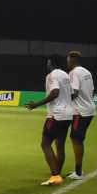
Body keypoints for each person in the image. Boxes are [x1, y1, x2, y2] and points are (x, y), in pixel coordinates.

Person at [23, 54, 73, 185]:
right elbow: (72, 94)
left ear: (51, 63)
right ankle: (58, 172)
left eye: (48, 62)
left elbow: (55, 92)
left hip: (56, 115)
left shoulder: (52, 75)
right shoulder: (66, 75)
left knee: (45, 143)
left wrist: (36, 104)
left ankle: (55, 175)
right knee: (60, 144)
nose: (47, 64)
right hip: (68, 114)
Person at [66, 50, 96, 179]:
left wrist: (62, 98)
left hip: (80, 111)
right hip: (89, 109)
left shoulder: (74, 73)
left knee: (76, 139)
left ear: (72, 60)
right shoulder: (86, 72)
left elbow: (74, 92)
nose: (67, 62)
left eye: (67, 60)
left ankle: (78, 172)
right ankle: (78, 170)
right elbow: (93, 91)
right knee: (78, 139)